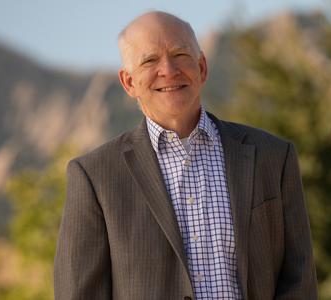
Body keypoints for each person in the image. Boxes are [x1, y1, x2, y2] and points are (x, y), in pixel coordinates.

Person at [54, 11, 317, 300]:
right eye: (149, 60)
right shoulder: (94, 176)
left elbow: (299, 278)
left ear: (202, 67)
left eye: (180, 54)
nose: (168, 69)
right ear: (128, 82)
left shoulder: (273, 157)